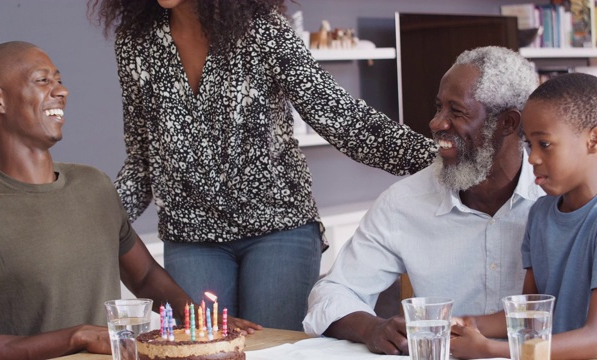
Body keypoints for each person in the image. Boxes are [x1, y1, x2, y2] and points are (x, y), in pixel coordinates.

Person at [87, 0, 437, 330]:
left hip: (280, 227)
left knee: (272, 350)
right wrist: (90, 224)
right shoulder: (135, 44)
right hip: (191, 235)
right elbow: (142, 160)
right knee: (202, 350)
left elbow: (338, 115)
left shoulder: (265, 30)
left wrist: (436, 160)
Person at [0, 41, 259, 360]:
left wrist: (200, 323)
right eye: (43, 80)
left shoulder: (93, 184)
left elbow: (144, 276)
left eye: (59, 80)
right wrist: (78, 336)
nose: (61, 91)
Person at [303, 46, 545, 355]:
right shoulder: (405, 202)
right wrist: (371, 327)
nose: (436, 123)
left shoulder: (556, 202)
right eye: (439, 107)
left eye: (456, 112)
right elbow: (333, 291)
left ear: (508, 123)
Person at [449, 73, 597, 360]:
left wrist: (492, 349)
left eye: (545, 144)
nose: (532, 158)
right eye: (528, 144)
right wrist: (468, 324)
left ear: (593, 140)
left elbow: (595, 339)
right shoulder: (540, 214)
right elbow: (530, 314)